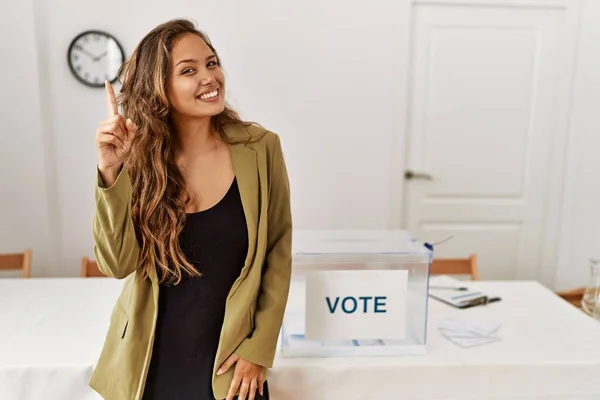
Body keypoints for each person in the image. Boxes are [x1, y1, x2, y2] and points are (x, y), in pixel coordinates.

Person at [88, 18, 292, 400]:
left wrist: (259, 348)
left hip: (231, 364)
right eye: (188, 70)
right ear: (159, 88)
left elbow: (277, 253)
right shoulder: (137, 157)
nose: (209, 77)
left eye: (211, 63)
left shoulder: (261, 148)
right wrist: (110, 169)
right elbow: (117, 264)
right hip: (150, 361)